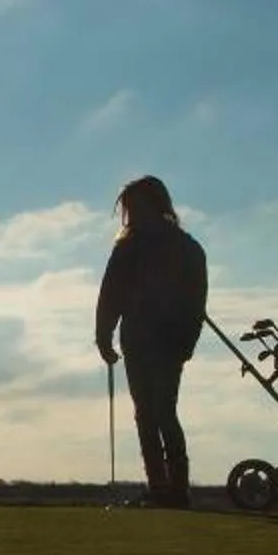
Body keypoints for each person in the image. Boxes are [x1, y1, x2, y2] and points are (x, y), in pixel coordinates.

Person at [93, 174, 208, 507]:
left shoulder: (180, 248)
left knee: (160, 411)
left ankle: (174, 489)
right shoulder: (142, 247)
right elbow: (111, 294)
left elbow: (195, 300)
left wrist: (186, 341)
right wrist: (104, 335)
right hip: (142, 339)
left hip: (165, 341)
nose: (131, 214)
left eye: (134, 206)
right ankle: (163, 488)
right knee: (148, 412)